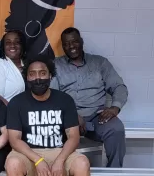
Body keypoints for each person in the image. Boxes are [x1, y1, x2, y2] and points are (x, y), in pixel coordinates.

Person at [51, 27, 128, 167]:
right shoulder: (55, 65)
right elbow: (52, 96)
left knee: (116, 129)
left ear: (81, 42)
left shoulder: (100, 63)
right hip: (66, 119)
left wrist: (115, 108)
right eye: (66, 44)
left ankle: (114, 172)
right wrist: (71, 115)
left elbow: (119, 87)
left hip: (97, 117)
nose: (71, 46)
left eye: (74, 42)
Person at [5, 56, 90, 176]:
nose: (38, 78)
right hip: (28, 153)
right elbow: (14, 140)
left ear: (50, 76)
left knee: (82, 163)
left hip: (59, 151)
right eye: (32, 74)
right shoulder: (16, 102)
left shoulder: (65, 100)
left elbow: (74, 137)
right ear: (27, 77)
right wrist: (38, 160)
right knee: (13, 164)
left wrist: (60, 161)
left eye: (43, 73)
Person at [0, 30, 27, 104]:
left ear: (22, 45)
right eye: (8, 43)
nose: (12, 45)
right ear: (3, 47)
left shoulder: (28, 65)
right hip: (5, 112)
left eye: (17, 42)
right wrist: (12, 111)